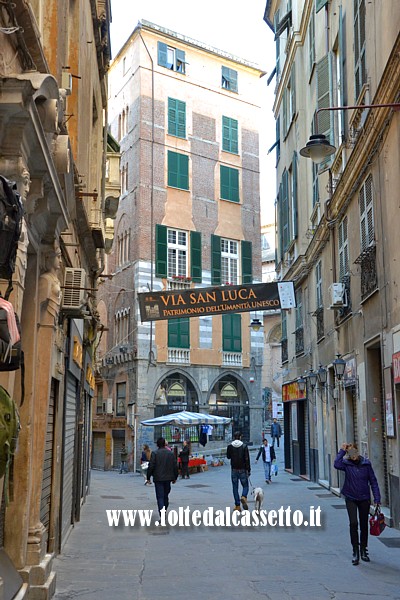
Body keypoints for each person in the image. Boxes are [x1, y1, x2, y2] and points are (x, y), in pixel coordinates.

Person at [334, 443, 381, 565]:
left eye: (354, 452)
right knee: (353, 523)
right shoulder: (346, 464)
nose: (353, 455)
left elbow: (373, 481)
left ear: (357, 451)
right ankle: (355, 551)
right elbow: (336, 464)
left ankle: (363, 550)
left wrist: (377, 498)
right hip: (350, 497)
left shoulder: (366, 464)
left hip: (364, 498)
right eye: (350, 453)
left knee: (364, 524)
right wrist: (342, 451)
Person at [146, 437, 179, 515]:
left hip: (158, 478)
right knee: (165, 496)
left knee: (160, 497)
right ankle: (164, 510)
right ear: (164, 444)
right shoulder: (170, 453)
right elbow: (175, 466)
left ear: (157, 444)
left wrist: (148, 477)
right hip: (168, 478)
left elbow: (151, 466)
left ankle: (162, 515)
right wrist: (175, 477)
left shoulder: (155, 453)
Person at [226, 431, 251, 511]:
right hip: (243, 469)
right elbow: (247, 459)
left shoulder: (230, 446)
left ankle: (237, 506)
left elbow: (228, 457)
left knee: (235, 488)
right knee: (245, 486)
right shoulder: (244, 446)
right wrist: (248, 469)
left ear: (234, 437)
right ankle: (243, 496)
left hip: (234, 469)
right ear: (240, 437)